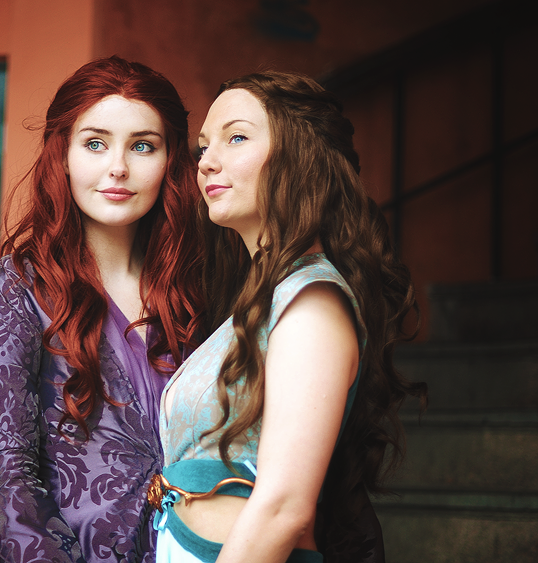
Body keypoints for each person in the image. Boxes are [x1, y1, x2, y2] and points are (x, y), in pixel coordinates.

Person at [151, 71, 427, 563]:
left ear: (301, 156)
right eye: (203, 147)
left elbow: (284, 508)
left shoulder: (312, 302)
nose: (206, 161)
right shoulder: (261, 298)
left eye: (236, 137)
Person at [0, 56, 204, 563]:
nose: (118, 167)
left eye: (143, 145)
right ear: (64, 157)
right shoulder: (19, 287)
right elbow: (8, 476)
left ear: (170, 160)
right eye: (95, 143)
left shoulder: (194, 290)